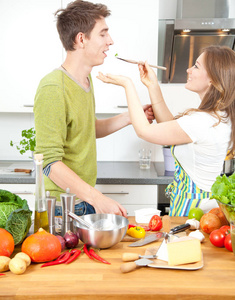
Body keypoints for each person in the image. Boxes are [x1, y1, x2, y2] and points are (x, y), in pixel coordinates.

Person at [34, 0, 154, 218]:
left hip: (83, 199)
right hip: (63, 207)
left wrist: (130, 117)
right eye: (103, 34)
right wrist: (97, 198)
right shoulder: (53, 87)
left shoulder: (86, 80)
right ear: (81, 39)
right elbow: (49, 162)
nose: (110, 41)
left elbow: (88, 128)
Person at [97, 45, 235, 216]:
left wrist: (128, 85)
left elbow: (144, 131)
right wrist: (152, 85)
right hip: (202, 206)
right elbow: (172, 131)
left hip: (196, 209)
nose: (188, 70)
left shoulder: (202, 121)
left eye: (196, 66)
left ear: (212, 79)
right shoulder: (217, 117)